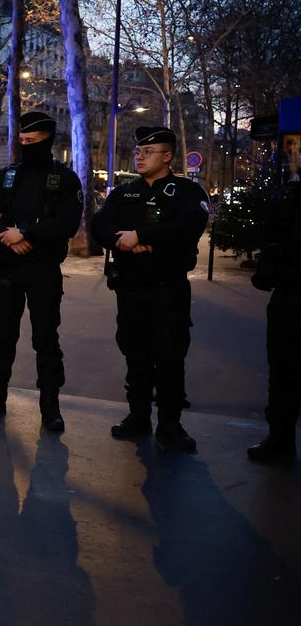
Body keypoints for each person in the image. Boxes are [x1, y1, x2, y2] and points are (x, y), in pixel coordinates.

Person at [91, 126, 211, 451]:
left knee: (170, 356)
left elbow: (188, 227)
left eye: (149, 151)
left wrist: (142, 237)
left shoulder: (187, 191)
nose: (140, 157)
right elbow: (99, 224)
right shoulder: (125, 192)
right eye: (138, 152)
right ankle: (138, 417)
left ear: (168, 156)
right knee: (136, 354)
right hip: (130, 288)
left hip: (167, 289)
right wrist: (121, 240)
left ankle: (170, 426)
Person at [0, 111, 83, 431]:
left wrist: (26, 233)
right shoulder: (7, 175)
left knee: (45, 338)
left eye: (32, 141)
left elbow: (67, 224)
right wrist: (11, 236)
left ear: (47, 141)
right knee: (3, 336)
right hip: (7, 268)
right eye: (22, 140)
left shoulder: (63, 179)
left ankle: (50, 405)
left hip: (43, 271)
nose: (25, 146)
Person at [249, 172, 301, 464]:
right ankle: (280, 439)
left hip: (290, 293)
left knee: (284, 372)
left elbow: (272, 237)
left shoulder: (289, 193)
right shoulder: (290, 192)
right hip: (289, 294)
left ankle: (280, 440)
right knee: (283, 370)